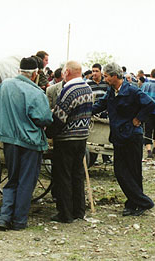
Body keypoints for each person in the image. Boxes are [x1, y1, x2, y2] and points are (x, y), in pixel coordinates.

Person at [0, 57, 53, 230]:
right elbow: (45, 118)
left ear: (20, 71)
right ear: (34, 74)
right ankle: (19, 221)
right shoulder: (36, 93)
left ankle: (4, 218)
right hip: (30, 142)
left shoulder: (4, 86)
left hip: (9, 140)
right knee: (26, 181)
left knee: (12, 179)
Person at [92, 62, 155, 217]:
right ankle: (137, 201)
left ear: (115, 76)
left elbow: (150, 104)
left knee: (134, 171)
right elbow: (100, 105)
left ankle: (138, 203)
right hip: (118, 136)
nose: (104, 78)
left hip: (132, 136)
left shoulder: (132, 90)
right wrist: (83, 111)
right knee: (120, 171)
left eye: (106, 76)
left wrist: (138, 118)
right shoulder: (111, 91)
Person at [46, 61, 93, 223]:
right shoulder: (87, 88)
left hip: (67, 139)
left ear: (66, 72)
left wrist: (48, 133)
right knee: (77, 174)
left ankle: (65, 213)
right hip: (82, 138)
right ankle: (78, 211)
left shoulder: (68, 90)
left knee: (63, 176)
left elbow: (59, 117)